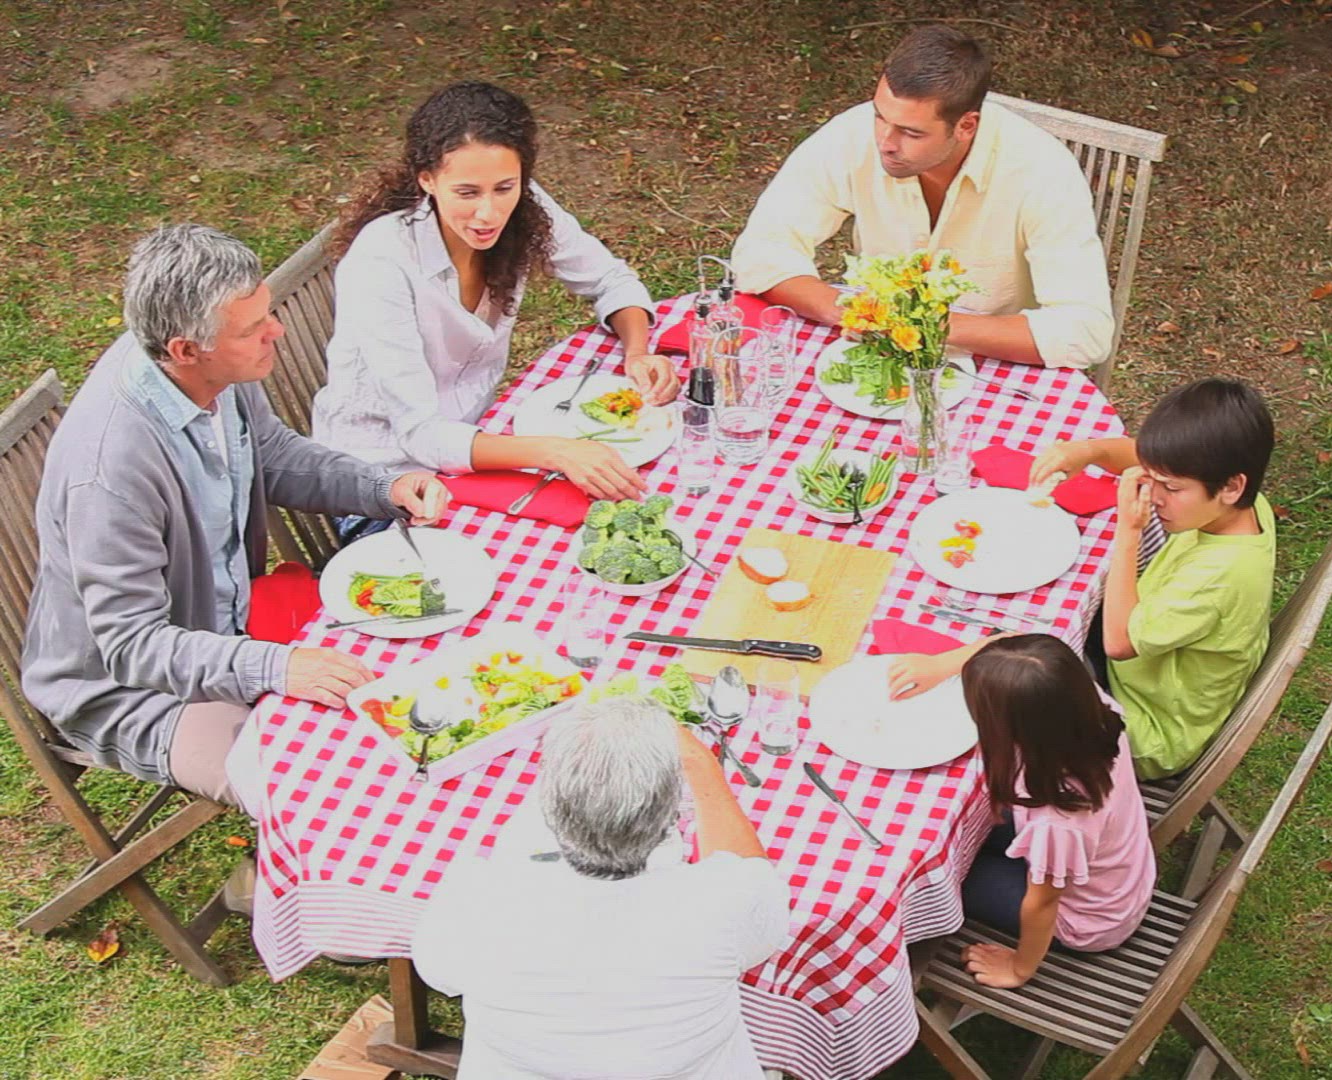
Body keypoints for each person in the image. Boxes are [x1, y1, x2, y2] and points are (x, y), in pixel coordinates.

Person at [22, 224, 449, 809]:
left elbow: (268, 453)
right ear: (184, 350)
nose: (277, 330)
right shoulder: (109, 474)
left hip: (228, 633)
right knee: (322, 790)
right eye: (252, 329)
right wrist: (275, 665)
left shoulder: (208, 372)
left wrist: (383, 487)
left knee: (419, 688)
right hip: (133, 693)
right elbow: (132, 645)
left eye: (267, 312)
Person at [311, 81, 677, 539]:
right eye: (467, 193)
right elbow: (420, 433)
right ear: (427, 180)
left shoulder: (523, 208)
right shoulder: (382, 263)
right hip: (388, 490)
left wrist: (638, 352)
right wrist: (557, 451)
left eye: (505, 187)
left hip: (477, 447)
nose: (488, 213)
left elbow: (609, 279)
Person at [893, 378, 1277, 779]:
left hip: (1139, 727)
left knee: (1003, 685)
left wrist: (1129, 531)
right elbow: (1150, 459)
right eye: (1151, 478)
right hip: (1146, 665)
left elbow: (1119, 644)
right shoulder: (1240, 507)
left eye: (1171, 488)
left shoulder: (1218, 577)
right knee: (1037, 614)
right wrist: (1090, 451)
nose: (1154, 495)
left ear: (1231, 486)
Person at [413, 696, 788, 1079]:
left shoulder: (477, 897)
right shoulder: (724, 903)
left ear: (548, 809)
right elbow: (749, 873)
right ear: (671, 815)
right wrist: (700, 764)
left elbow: (439, 974)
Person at [730, 26, 1114, 372]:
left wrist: (921, 327)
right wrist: (851, 312)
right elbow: (761, 249)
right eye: (880, 116)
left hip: (995, 365)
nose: (885, 143)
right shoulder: (852, 135)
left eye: (911, 133)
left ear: (966, 126)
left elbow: (1085, 332)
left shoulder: (1042, 171)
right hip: (875, 354)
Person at [889, 635, 1152, 988]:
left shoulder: (1058, 820)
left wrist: (1018, 969)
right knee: (953, 837)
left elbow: (1042, 904)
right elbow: (1016, 645)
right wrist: (941, 665)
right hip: (1116, 874)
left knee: (933, 879)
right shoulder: (1087, 707)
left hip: (1086, 917)